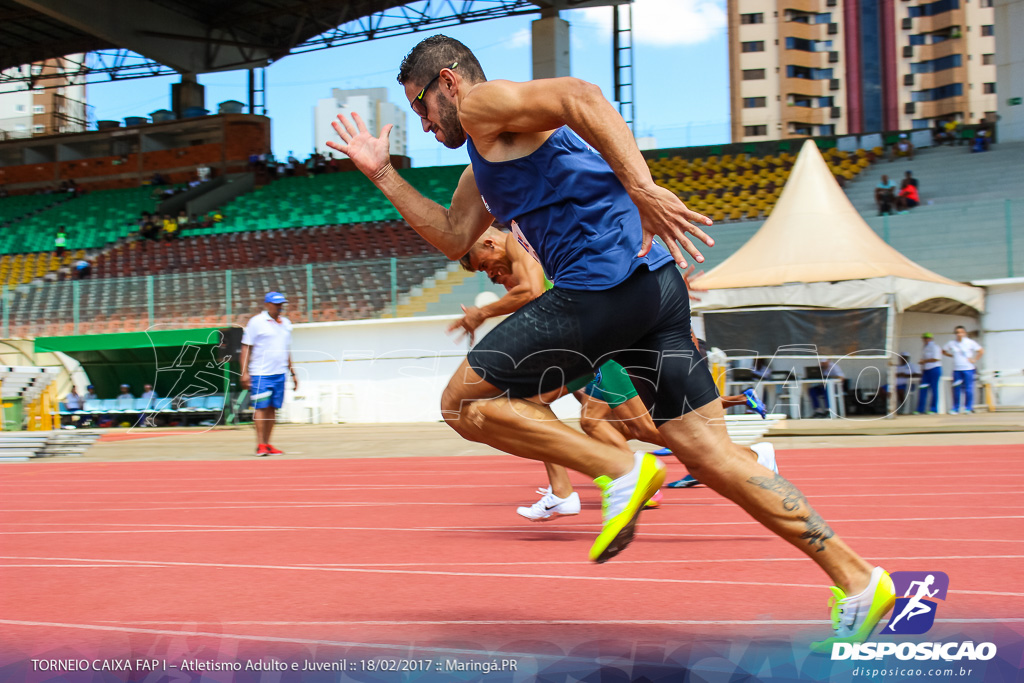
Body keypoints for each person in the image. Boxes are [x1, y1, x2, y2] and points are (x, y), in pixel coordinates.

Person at [328, 34, 891, 648]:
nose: (424, 124)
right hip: (657, 289)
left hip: (602, 290)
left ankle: (620, 469)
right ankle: (859, 580)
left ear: (450, 83)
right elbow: (452, 236)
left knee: (462, 404)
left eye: (421, 107)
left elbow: (581, 94)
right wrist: (381, 173)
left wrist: (644, 190)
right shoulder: (485, 165)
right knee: (713, 458)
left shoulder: (483, 106)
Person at [454, 226, 775, 515]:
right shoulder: (522, 249)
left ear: (489, 242)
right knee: (598, 420)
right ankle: (582, 486)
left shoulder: (518, 239)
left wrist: (481, 313)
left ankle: (620, 478)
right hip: (588, 339)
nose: (489, 274)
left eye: (484, 265)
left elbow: (532, 291)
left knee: (625, 425)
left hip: (597, 338)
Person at [240, 292, 297, 456]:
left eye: (281, 304)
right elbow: (246, 348)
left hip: (279, 373)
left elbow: (286, 349)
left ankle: (268, 443)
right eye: (276, 304)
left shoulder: (286, 323)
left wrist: (293, 373)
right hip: (260, 373)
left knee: (272, 408)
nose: (279, 307)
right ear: (267, 305)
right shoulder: (256, 322)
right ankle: (260, 445)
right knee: (261, 407)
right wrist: (244, 373)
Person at [942, 326, 983, 414]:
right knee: (956, 389)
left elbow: (981, 351)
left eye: (961, 332)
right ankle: (955, 408)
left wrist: (974, 359)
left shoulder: (970, 342)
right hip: (957, 369)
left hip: (968, 369)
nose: (959, 334)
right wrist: (951, 356)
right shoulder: (952, 343)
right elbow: (943, 351)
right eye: (957, 332)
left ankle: (968, 407)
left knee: (968, 389)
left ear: (964, 333)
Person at [915, 333, 942, 414]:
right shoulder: (924, 348)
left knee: (934, 389)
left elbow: (936, 359)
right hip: (926, 370)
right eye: (925, 338)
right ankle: (920, 409)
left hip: (934, 369)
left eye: (928, 338)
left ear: (931, 339)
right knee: (923, 388)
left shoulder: (935, 347)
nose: (926, 340)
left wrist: (925, 361)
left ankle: (933, 409)